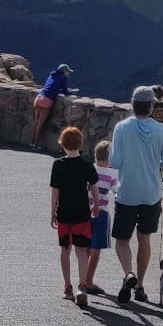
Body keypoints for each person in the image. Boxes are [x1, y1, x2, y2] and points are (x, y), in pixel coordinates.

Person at [108, 85, 163, 305]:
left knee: (122, 240)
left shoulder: (121, 128)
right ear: (152, 107)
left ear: (132, 104)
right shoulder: (161, 130)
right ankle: (141, 286)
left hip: (127, 191)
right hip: (151, 192)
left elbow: (115, 162)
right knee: (144, 239)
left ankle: (128, 274)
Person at [50, 127, 99, 308]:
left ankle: (67, 287)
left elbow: (55, 190)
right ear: (80, 144)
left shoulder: (58, 165)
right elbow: (94, 186)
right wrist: (96, 205)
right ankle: (82, 286)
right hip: (81, 214)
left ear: (62, 145)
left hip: (64, 214)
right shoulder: (87, 164)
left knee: (65, 250)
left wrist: (52, 212)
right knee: (81, 251)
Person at [83, 139, 117, 295]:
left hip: (85, 213)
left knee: (86, 247)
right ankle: (88, 282)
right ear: (110, 158)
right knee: (96, 251)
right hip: (101, 213)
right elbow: (117, 191)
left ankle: (85, 278)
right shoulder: (111, 174)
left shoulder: (88, 170)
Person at [31, 63, 73, 148]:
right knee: (40, 124)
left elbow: (52, 87)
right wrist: (71, 92)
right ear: (64, 71)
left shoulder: (51, 75)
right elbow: (65, 90)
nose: (68, 73)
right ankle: (35, 144)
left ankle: (31, 142)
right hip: (47, 100)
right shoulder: (63, 77)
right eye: (67, 71)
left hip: (39, 97)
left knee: (36, 122)